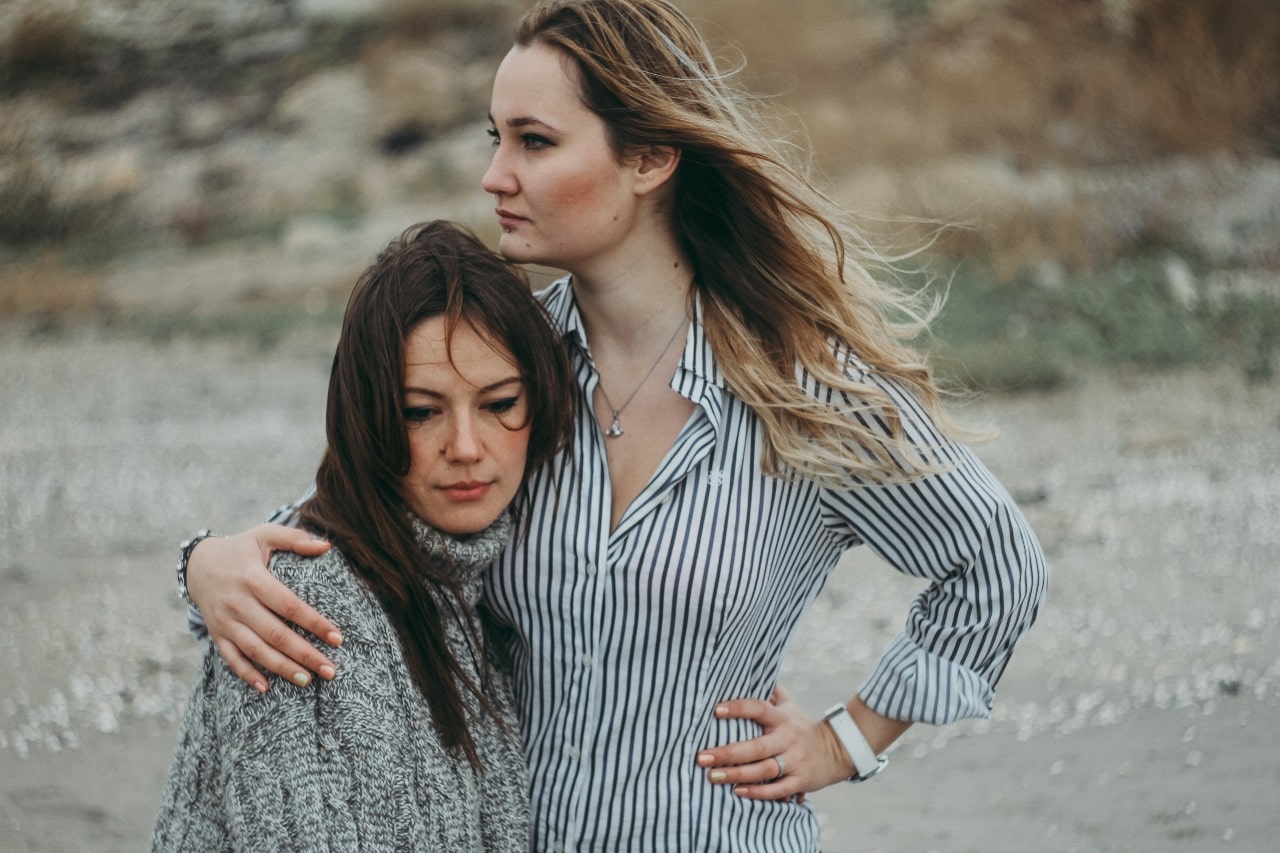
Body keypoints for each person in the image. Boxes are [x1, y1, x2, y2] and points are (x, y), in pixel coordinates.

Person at [178, 1, 1049, 849]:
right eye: (497, 138)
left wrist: (844, 742)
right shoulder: (513, 367)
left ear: (650, 158)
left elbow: (996, 566)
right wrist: (206, 564)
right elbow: (353, 519)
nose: (495, 175)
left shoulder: (802, 386)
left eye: (536, 141)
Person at [151, 220, 575, 851]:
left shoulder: (472, 575)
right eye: (420, 411)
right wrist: (198, 561)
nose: (465, 448)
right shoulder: (299, 611)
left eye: (499, 402)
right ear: (368, 415)